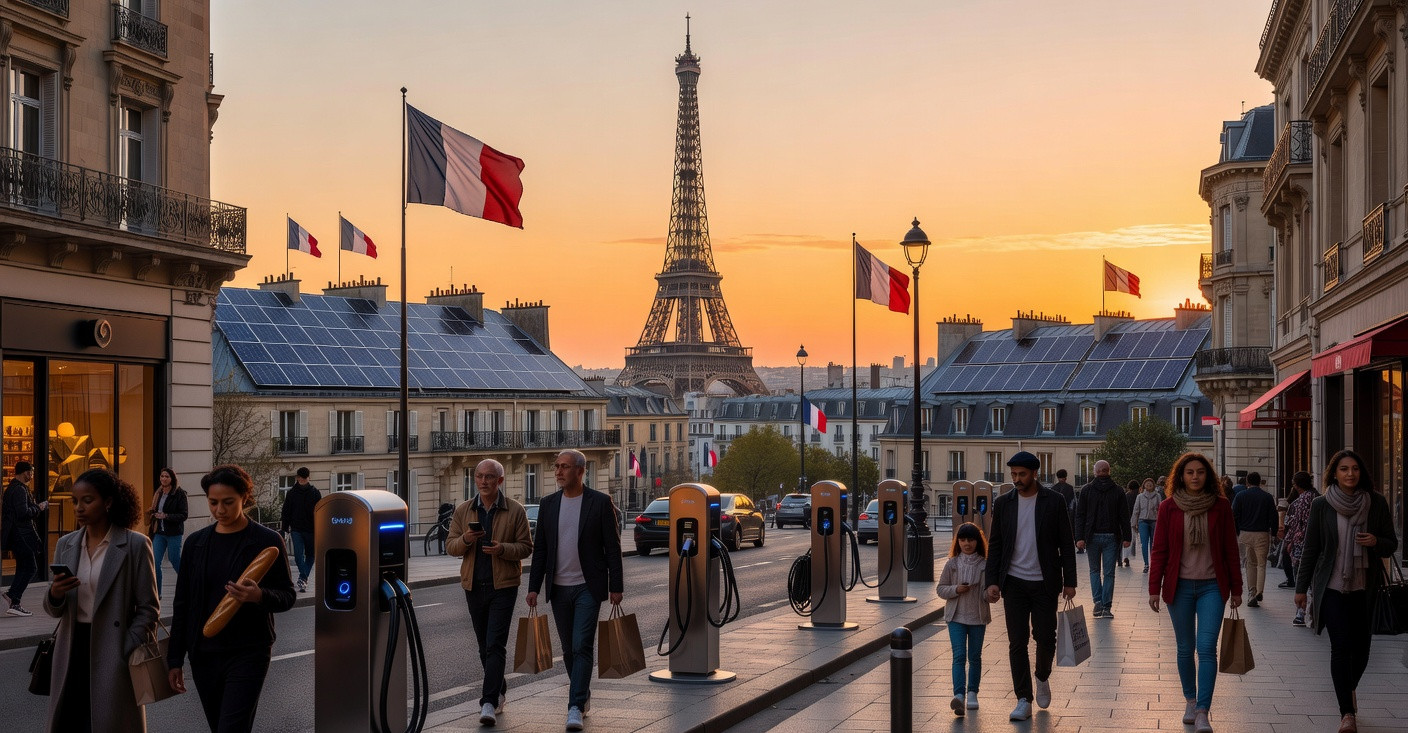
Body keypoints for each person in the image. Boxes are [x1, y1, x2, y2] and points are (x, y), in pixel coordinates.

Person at [167, 465, 296, 733]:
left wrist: (259, 596)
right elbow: (182, 605)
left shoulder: (267, 541)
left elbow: (287, 595)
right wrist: (175, 660)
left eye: (228, 502)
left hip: (249, 651)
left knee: (231, 728)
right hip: (203, 654)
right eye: (213, 503)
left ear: (244, 499)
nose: (220, 510)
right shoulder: (195, 543)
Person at [43, 468, 159, 733]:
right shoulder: (66, 544)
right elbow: (53, 609)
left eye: (87, 500)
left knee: (108, 722)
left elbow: (149, 608)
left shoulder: (135, 545)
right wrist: (56, 593)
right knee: (70, 721)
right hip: (72, 647)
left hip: (112, 646)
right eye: (75, 501)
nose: (79, 508)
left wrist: (125, 647)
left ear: (108, 502)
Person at [1295, 449, 1398, 733]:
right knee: (1340, 647)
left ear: (1361, 473)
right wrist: (1301, 588)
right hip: (1331, 587)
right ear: (1334, 473)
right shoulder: (1321, 505)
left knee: (1362, 650)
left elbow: (1392, 543)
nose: (1350, 474)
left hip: (1366, 588)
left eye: (1354, 468)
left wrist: (1376, 541)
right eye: (1344, 469)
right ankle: (1347, 713)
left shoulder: (1375, 503)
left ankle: (1348, 687)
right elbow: (1312, 549)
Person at [527, 450, 624, 731]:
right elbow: (541, 550)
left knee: (582, 645)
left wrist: (615, 586)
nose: (558, 471)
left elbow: (613, 548)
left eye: (565, 467)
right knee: (569, 650)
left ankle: (575, 706)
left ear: (580, 471)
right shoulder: (548, 504)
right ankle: (582, 693)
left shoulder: (599, 502)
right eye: (556, 466)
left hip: (588, 587)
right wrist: (533, 587)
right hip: (558, 588)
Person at [1148, 452, 1242, 733]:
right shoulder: (1168, 507)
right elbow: (1160, 549)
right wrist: (1154, 588)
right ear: (1181, 476)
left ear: (1207, 475)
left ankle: (1203, 710)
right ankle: (1190, 699)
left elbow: (1230, 550)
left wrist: (1237, 588)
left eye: (1200, 472)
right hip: (1180, 588)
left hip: (1213, 586)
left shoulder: (1221, 506)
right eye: (1189, 472)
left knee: (1206, 648)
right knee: (1185, 648)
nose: (1195, 477)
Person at [983, 451, 1077, 722]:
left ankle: (1042, 676)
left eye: (1022, 474)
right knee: (1017, 641)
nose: (1017, 479)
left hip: (1045, 582)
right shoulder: (1003, 503)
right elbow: (996, 544)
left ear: (1035, 473)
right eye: (1013, 474)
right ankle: (1023, 697)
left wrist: (1070, 581)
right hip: (1013, 583)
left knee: (1046, 638)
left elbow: (1066, 544)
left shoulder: (1054, 501)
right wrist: (992, 582)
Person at [448, 459, 533, 727]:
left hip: (503, 586)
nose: (483, 481)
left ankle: (488, 701)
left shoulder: (515, 510)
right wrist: (466, 540)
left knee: (495, 644)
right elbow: (451, 546)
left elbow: (526, 547)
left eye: (489, 477)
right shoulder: (464, 510)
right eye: (479, 477)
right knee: (484, 647)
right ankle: (499, 687)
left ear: (500, 481)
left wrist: (502, 549)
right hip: (474, 586)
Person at [937, 522, 991, 718]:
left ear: (978, 541)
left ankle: (972, 693)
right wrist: (955, 589)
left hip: (978, 617)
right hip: (956, 617)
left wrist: (990, 595)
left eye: (970, 539)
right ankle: (958, 695)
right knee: (959, 656)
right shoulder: (952, 564)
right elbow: (941, 589)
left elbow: (988, 593)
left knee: (974, 657)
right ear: (957, 541)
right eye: (962, 540)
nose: (966, 543)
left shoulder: (986, 565)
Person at [1073, 460, 1130, 618]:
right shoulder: (1118, 491)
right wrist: (1127, 537)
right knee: (1109, 573)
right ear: (1108, 471)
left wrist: (1079, 537)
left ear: (1096, 471)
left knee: (1094, 571)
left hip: (1092, 537)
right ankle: (1106, 607)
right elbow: (1124, 516)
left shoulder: (1087, 490)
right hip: (1112, 536)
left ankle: (1097, 602)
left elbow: (1080, 515)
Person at [2, 460, 47, 616]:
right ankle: (13, 597)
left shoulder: (12, 488)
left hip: (16, 535)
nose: (32, 475)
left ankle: (14, 601)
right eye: (31, 472)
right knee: (31, 567)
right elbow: (23, 513)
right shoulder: (20, 490)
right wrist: (38, 508)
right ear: (26, 472)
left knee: (23, 567)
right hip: (21, 535)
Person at [1230, 471, 1276, 607]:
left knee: (1250, 564)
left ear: (1247, 482)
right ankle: (1259, 591)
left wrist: (1237, 532)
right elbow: (1273, 516)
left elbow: (1233, 515)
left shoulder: (1240, 496)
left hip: (1245, 533)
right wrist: (1273, 533)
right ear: (1260, 481)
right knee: (1261, 564)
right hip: (1262, 533)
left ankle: (1251, 592)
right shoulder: (1267, 497)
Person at [1282, 471, 1318, 625]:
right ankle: (1315, 610)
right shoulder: (1319, 496)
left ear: (1296, 485)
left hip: (1302, 544)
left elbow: (1296, 524)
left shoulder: (1301, 500)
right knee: (1315, 580)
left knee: (1301, 578)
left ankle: (1301, 612)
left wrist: (1288, 542)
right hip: (1318, 544)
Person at [148, 467, 189, 595]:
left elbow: (184, 515)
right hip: (159, 532)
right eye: (162, 476)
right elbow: (156, 509)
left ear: (172, 479)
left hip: (174, 533)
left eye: (167, 477)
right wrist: (152, 513)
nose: (164, 479)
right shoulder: (159, 493)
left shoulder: (179, 493)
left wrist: (166, 516)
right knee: (155, 561)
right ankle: (157, 593)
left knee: (174, 559)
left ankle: (188, 584)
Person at [279, 467, 320, 593]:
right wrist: (284, 528)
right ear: (297, 478)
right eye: (300, 478)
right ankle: (303, 577)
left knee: (311, 555)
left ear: (308, 478)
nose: (302, 480)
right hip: (296, 529)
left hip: (312, 530)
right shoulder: (292, 493)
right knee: (298, 556)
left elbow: (320, 512)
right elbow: (286, 511)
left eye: (304, 478)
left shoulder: (315, 493)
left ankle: (302, 578)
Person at [1133, 477, 1160, 573]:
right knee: (1144, 544)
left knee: (1154, 544)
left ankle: (1154, 563)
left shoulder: (1157, 496)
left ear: (1153, 485)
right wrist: (1134, 523)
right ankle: (1146, 564)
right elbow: (1136, 510)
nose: (1148, 485)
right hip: (1143, 521)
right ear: (1144, 485)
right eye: (1147, 484)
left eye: (1150, 484)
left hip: (1154, 521)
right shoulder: (1140, 497)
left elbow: (1160, 509)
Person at [1122, 480, 1140, 568]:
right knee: (1132, 540)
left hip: (1127, 520)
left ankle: (1125, 556)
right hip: (1137, 520)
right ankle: (1127, 556)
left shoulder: (1126, 496)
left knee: (1127, 538)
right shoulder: (1139, 496)